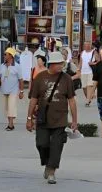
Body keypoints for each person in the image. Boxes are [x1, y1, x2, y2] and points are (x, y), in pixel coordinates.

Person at [26, 51, 78, 184]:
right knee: (41, 144)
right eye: (59, 64)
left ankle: (51, 171)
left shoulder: (66, 78)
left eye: (62, 63)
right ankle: (47, 163)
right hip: (43, 118)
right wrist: (29, 118)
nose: (61, 66)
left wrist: (74, 120)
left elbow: (71, 100)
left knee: (56, 146)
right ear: (51, 64)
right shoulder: (40, 78)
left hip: (60, 119)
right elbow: (33, 99)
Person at [0, 48, 23, 130]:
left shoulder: (17, 67)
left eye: (5, 54)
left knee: (11, 107)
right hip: (4, 90)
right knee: (7, 108)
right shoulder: (2, 66)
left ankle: (10, 125)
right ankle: (10, 122)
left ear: (11, 56)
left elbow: (21, 80)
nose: (4, 56)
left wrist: (21, 91)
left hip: (13, 90)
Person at [79, 42, 99, 107]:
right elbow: (80, 62)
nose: (87, 46)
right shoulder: (82, 53)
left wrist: (93, 63)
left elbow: (99, 61)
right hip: (83, 72)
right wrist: (78, 69)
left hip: (91, 72)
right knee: (84, 87)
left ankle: (87, 101)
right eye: (85, 45)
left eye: (88, 45)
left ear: (91, 46)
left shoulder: (94, 52)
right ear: (84, 46)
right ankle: (89, 97)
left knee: (89, 86)